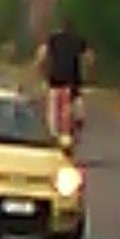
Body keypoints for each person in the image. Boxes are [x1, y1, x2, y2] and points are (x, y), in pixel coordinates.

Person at [40, 11, 89, 149]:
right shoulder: (78, 40)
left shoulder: (53, 39)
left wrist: (41, 70)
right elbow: (89, 58)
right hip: (72, 82)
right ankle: (69, 134)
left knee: (54, 111)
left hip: (54, 80)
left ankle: (54, 135)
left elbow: (42, 55)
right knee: (70, 111)